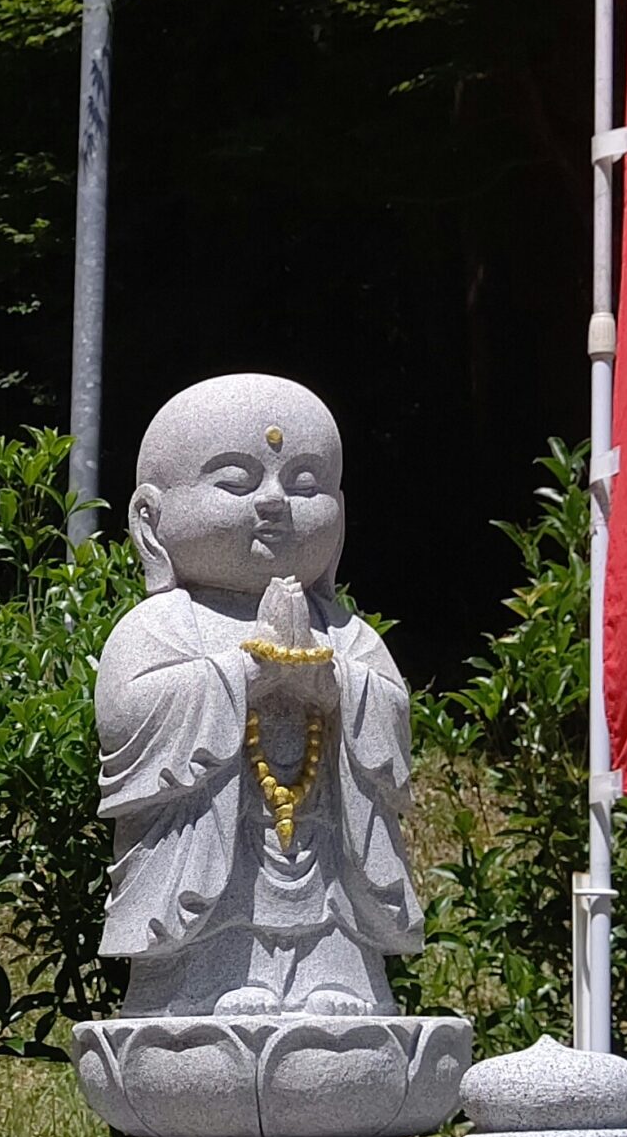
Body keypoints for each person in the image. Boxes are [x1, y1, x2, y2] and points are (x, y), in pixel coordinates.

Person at [94, 374, 423, 1016]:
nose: (275, 503)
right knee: (212, 962)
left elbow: (392, 717)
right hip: (207, 882)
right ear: (150, 521)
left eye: (304, 486)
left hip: (325, 861)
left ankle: (337, 981)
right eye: (238, 483)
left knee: (334, 938)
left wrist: (329, 681)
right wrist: (247, 672)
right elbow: (128, 714)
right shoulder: (162, 625)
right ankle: (202, 986)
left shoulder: (347, 633)